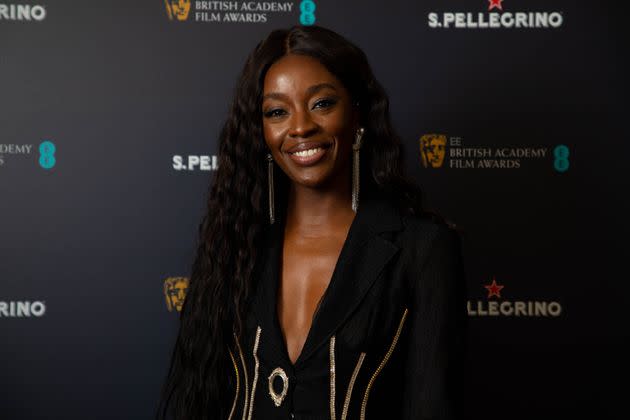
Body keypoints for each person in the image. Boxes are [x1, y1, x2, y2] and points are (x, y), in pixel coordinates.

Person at [157, 25, 467, 420]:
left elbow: (432, 404)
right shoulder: (235, 241)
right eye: (277, 112)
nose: (300, 126)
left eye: (322, 103)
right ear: (262, 130)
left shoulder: (422, 248)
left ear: (358, 113)